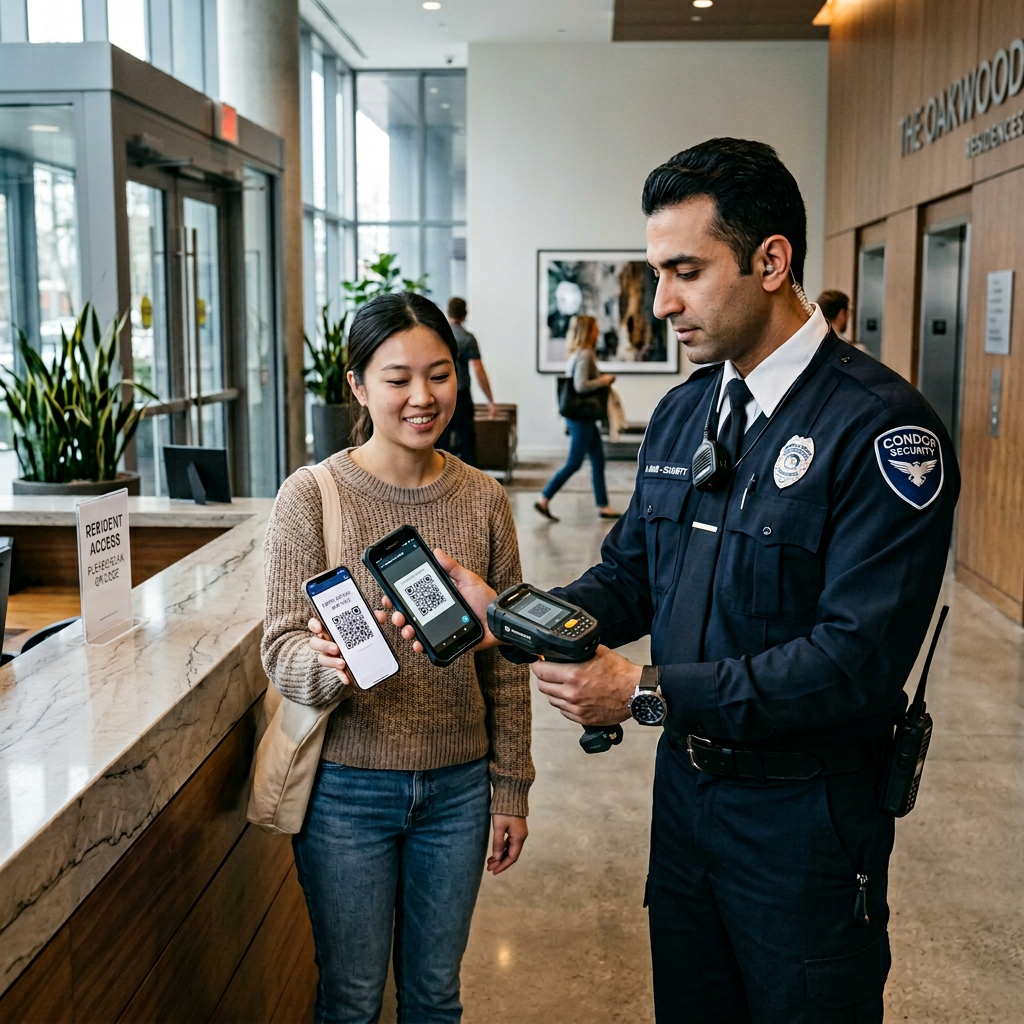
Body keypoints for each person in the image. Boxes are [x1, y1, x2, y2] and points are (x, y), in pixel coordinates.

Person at [387, 139, 960, 1022]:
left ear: (772, 260)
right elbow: (631, 578)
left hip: (804, 820)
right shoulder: (687, 409)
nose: (662, 304)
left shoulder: (881, 432)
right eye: (656, 272)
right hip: (687, 808)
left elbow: (853, 664)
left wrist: (645, 692)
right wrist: (507, 617)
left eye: (686, 271)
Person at [261, 291, 534, 1024]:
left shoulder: (483, 499)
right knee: (351, 998)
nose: (424, 397)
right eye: (398, 377)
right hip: (347, 791)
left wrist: (511, 786)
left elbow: (504, 662)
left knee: (434, 996)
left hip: (459, 790)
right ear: (356, 385)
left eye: (440, 374)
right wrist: (326, 665)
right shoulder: (309, 497)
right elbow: (278, 647)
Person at [535, 314, 620, 522]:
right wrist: (604, 380)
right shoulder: (584, 354)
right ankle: (543, 498)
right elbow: (581, 385)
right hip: (583, 416)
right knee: (574, 462)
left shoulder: (577, 353)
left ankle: (604, 505)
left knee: (598, 459)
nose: (598, 332)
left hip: (581, 416)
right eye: (594, 328)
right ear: (587, 331)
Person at [445, 297, 496, 466]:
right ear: (465, 314)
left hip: (441, 395)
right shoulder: (467, 338)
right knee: (467, 440)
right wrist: (490, 400)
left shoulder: (438, 336)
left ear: (448, 312)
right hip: (461, 396)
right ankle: (470, 484)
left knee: (441, 441)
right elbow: (478, 370)